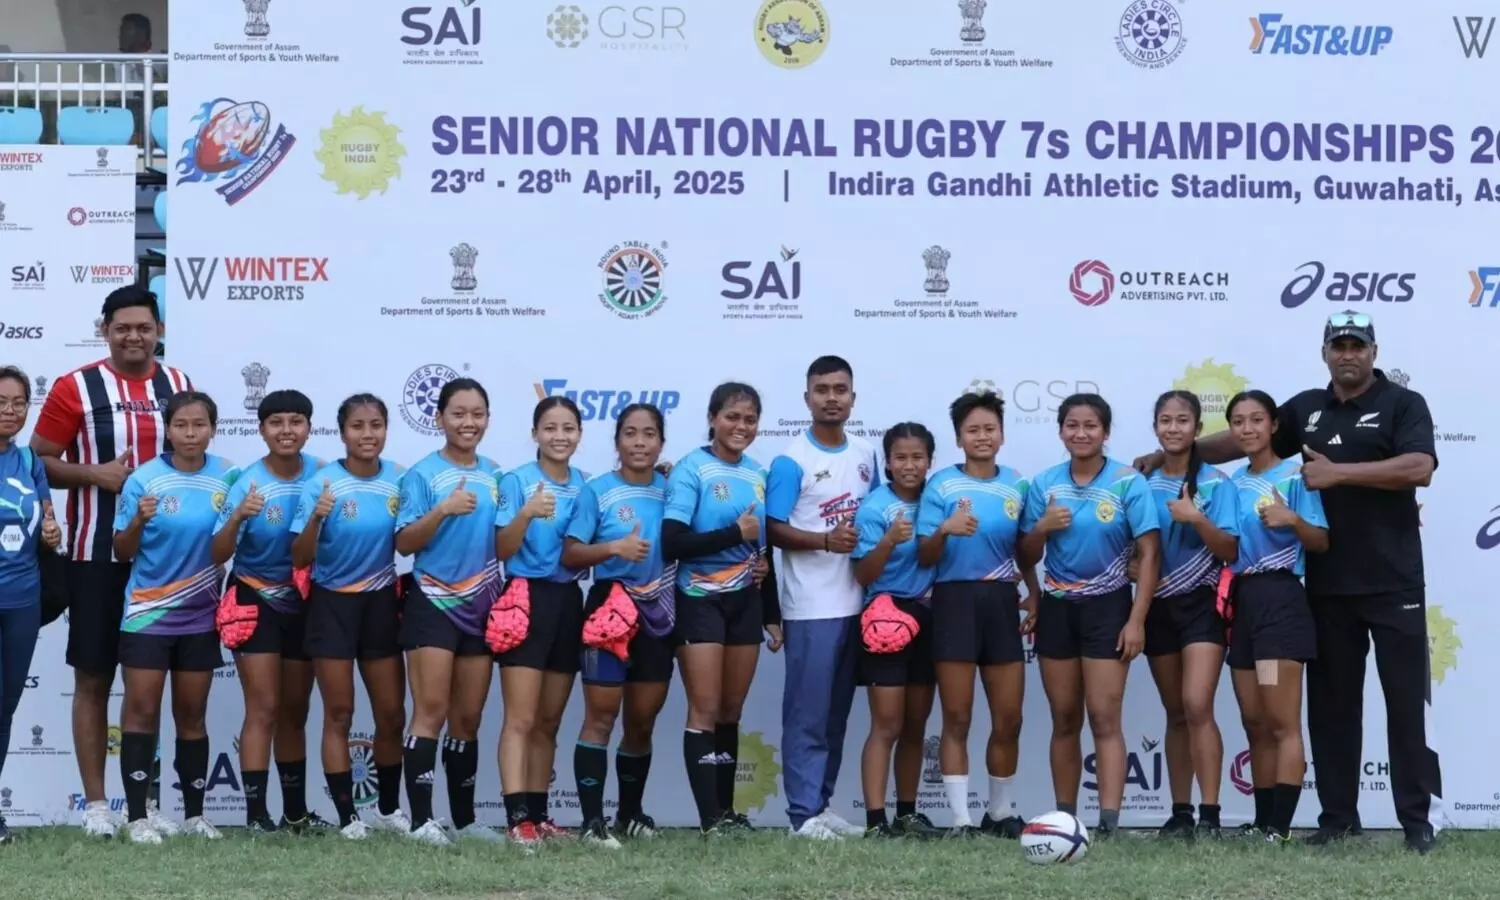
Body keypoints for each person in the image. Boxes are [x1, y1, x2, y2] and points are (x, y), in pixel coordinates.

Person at [1133, 311, 1441, 853]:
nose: (1348, 354)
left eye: (1357, 345)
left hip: (1393, 581)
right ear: (1325, 353)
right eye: (1338, 346)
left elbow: (1420, 468)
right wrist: (1173, 454)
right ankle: (1338, 818)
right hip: (1323, 586)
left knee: (1403, 704)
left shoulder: (1403, 404)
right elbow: (1242, 440)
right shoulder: (1306, 409)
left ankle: (1418, 823)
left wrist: (1338, 473)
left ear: (1373, 351)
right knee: (1332, 707)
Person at [30, 286, 191, 838]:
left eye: (144, 327)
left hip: (166, 562)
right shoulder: (75, 385)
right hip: (94, 555)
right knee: (94, 677)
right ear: (105, 330)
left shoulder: (179, 385)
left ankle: (145, 804)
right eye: (122, 327)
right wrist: (94, 474)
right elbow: (39, 462)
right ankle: (97, 804)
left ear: (159, 331)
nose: (133, 337)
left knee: (150, 686)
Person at [1019, 393, 1160, 839]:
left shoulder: (1127, 482)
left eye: (1091, 426)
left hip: (1108, 608)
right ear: (1061, 431)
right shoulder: (1044, 484)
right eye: (1072, 426)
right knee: (1064, 718)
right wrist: (1040, 529)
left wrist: (1137, 619)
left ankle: (1109, 823)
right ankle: (1065, 821)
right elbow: (1024, 555)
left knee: (1103, 717)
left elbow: (1150, 554)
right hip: (1058, 609)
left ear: (1106, 432)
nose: (1081, 433)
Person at [916, 392, 1040, 838]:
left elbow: (1025, 551)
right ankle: (962, 821)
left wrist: (1035, 593)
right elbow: (924, 555)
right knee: (958, 716)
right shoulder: (941, 485)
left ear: (1002, 435)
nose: (982, 437)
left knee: (1010, 718)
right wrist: (944, 530)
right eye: (973, 430)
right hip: (954, 603)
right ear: (958, 438)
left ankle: (1000, 813)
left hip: (1002, 603)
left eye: (990, 429)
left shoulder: (1018, 485)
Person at [765, 356, 877, 840]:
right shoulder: (792, 460)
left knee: (835, 716)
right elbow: (771, 528)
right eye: (822, 390)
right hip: (811, 607)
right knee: (807, 716)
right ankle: (801, 816)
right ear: (806, 397)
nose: (832, 398)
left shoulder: (866, 453)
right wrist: (824, 541)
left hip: (857, 605)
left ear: (853, 396)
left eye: (840, 389)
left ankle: (821, 804)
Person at [662, 382, 780, 836]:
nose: (741, 426)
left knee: (731, 710)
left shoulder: (758, 474)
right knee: (706, 708)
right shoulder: (691, 469)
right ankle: (709, 818)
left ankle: (727, 812)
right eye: (732, 417)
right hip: (699, 600)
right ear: (713, 419)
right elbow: (672, 543)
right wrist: (734, 533)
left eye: (750, 419)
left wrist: (772, 614)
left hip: (745, 602)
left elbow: (763, 553)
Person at [112, 390, 230, 843]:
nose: (190, 434)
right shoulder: (144, 479)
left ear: (213, 429)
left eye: (199, 425)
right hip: (148, 615)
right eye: (181, 425)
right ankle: (137, 816)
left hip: (200, 616)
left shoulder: (229, 477)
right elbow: (122, 550)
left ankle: (195, 815)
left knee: (192, 714)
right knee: (142, 711)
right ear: (168, 429)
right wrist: (138, 521)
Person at [210, 389, 329, 834]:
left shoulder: (324, 474)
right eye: (276, 422)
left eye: (296, 421)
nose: (286, 430)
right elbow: (216, 553)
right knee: (264, 706)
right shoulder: (247, 482)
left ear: (309, 428)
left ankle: (295, 813)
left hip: (304, 601)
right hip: (255, 598)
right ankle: (256, 816)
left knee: (295, 711)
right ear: (261, 430)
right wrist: (238, 517)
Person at [290, 394, 408, 839]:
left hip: (380, 604)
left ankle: (389, 810)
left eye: (375, 425)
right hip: (332, 605)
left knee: (391, 714)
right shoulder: (322, 484)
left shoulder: (400, 479)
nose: (367, 434)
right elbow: (299, 557)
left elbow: (410, 539)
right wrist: (316, 520)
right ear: (342, 434)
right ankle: (348, 818)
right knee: (339, 713)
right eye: (357, 426)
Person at [395, 378, 503, 845]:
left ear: (488, 419)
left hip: (482, 606)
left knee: (468, 718)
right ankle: (421, 822)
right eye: (458, 413)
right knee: (431, 711)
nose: (468, 422)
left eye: (477, 414)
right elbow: (404, 542)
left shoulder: (497, 474)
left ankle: (464, 821)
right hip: (433, 603)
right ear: (440, 418)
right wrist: (443, 510)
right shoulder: (423, 474)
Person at [564, 403, 676, 847]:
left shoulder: (673, 490)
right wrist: (614, 548)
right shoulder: (597, 491)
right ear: (617, 441)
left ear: (661, 442)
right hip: (610, 610)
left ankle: (630, 813)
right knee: (601, 716)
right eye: (630, 433)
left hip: (658, 613)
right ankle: (592, 822)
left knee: (642, 721)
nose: (640, 443)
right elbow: (571, 554)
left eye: (649, 434)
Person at [1223, 389, 1328, 843]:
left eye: (1256, 419)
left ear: (1273, 426)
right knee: (1255, 720)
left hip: (1278, 604)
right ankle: (1262, 820)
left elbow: (1320, 541)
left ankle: (1280, 827)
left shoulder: (1293, 476)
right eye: (1238, 421)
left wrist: (1293, 520)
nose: (1247, 428)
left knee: (1281, 721)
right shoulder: (1231, 483)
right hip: (1243, 604)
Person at [1138, 391, 1239, 839]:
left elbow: (1231, 549)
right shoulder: (1139, 482)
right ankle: (1180, 813)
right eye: (1165, 420)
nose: (1173, 428)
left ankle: (1211, 815)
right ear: (1155, 428)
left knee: (1198, 704)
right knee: (1176, 711)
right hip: (1157, 606)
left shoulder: (1218, 483)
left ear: (1197, 429)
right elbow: (1130, 548)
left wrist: (1195, 518)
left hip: (1202, 604)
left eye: (1182, 421)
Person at [493, 396, 589, 846]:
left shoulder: (586, 485)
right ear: (535, 433)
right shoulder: (516, 481)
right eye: (550, 428)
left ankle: (539, 814)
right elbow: (501, 549)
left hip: (568, 600)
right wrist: (526, 513)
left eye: (568, 428)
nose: (559, 436)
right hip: (524, 598)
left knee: (549, 720)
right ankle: (517, 819)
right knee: (521, 718)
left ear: (580, 435)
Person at [851, 422, 942, 840]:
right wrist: (888, 541)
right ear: (887, 462)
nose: (909, 465)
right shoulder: (875, 507)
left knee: (915, 725)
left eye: (917, 457)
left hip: (929, 616)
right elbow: (862, 575)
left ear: (929, 461)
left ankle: (907, 814)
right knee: (886, 724)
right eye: (900, 457)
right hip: (886, 619)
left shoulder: (938, 500)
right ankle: (875, 821)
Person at [0, 367, 62, 845]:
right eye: (1, 401)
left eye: (19, 402)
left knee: (4, 709)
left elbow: (47, 521)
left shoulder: (29, 460)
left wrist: (51, 534)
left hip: (22, 599)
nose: (10, 410)